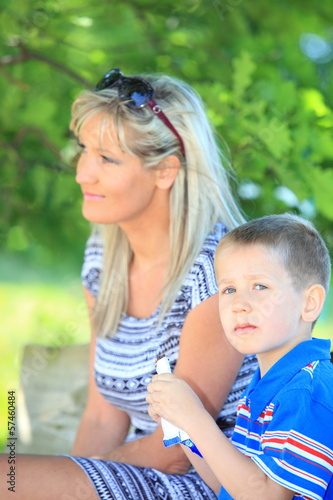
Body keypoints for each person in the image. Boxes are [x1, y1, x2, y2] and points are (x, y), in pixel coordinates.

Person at [0, 68, 258, 499]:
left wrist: (73, 476)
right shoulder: (104, 258)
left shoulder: (216, 272)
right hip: (130, 472)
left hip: (206, 482)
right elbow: (104, 417)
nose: (83, 174)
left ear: (165, 171)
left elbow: (178, 448)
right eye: (84, 150)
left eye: (107, 159)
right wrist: (67, 477)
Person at [147, 213, 333, 500]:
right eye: (229, 289)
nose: (238, 305)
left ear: (309, 304)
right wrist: (181, 423)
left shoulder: (306, 390)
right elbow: (230, 487)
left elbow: (266, 496)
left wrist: (196, 418)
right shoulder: (266, 384)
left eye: (260, 286)